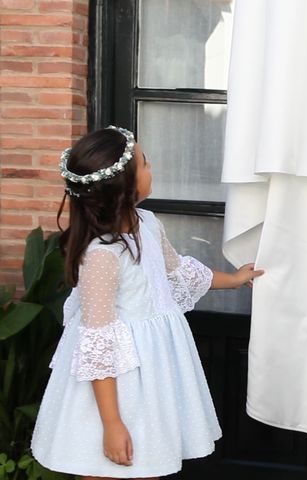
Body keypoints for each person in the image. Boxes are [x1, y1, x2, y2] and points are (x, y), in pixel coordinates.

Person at [31, 126, 264, 479]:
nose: (152, 167)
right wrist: (111, 423)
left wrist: (233, 280)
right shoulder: (102, 256)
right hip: (117, 383)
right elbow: (98, 342)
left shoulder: (148, 224)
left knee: (146, 465)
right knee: (108, 468)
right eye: (145, 163)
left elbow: (177, 273)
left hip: (152, 375)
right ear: (123, 187)